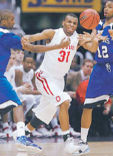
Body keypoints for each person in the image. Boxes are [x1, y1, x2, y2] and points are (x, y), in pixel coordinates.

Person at [21, 13, 100, 154]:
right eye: (69, 22)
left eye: (74, 23)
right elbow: (31, 38)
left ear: (77, 25)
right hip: (44, 76)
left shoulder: (77, 38)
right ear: (63, 22)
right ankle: (68, 143)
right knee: (64, 101)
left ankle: (23, 135)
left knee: (46, 112)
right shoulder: (52, 33)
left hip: (58, 80)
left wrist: (93, 37)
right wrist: (26, 39)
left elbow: (93, 48)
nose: (71, 25)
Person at [0, 10, 70, 153]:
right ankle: (21, 137)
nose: (13, 22)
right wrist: (56, 46)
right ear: (4, 20)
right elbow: (32, 47)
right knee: (17, 104)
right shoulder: (5, 36)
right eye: (11, 19)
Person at [74, 1, 113, 155]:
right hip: (99, 70)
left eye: (110, 6)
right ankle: (83, 143)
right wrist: (85, 43)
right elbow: (94, 47)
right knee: (87, 106)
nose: (106, 9)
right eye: (105, 6)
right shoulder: (97, 25)